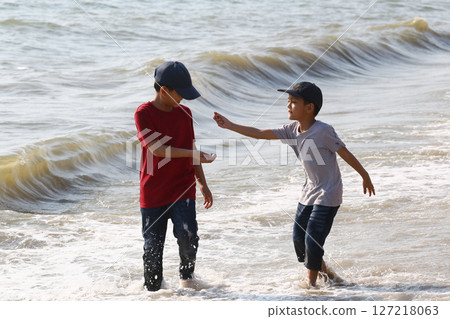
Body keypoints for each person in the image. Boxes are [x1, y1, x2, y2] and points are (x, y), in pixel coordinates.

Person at [213, 82, 375, 287]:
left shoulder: (324, 131)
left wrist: (364, 175)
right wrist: (230, 125)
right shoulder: (291, 130)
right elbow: (261, 133)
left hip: (328, 192)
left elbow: (344, 152)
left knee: (312, 240)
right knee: (299, 240)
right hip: (308, 191)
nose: (288, 106)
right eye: (288, 102)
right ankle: (329, 277)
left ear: (309, 108)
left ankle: (312, 287)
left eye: (294, 102)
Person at [135, 61, 215, 291]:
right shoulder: (144, 113)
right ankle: (154, 290)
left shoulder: (185, 114)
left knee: (189, 236)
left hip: (183, 186)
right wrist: (194, 153)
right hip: (153, 191)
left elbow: (191, 147)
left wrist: (202, 183)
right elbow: (156, 149)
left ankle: (187, 279)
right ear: (164, 91)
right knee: (152, 247)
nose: (183, 100)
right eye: (180, 94)